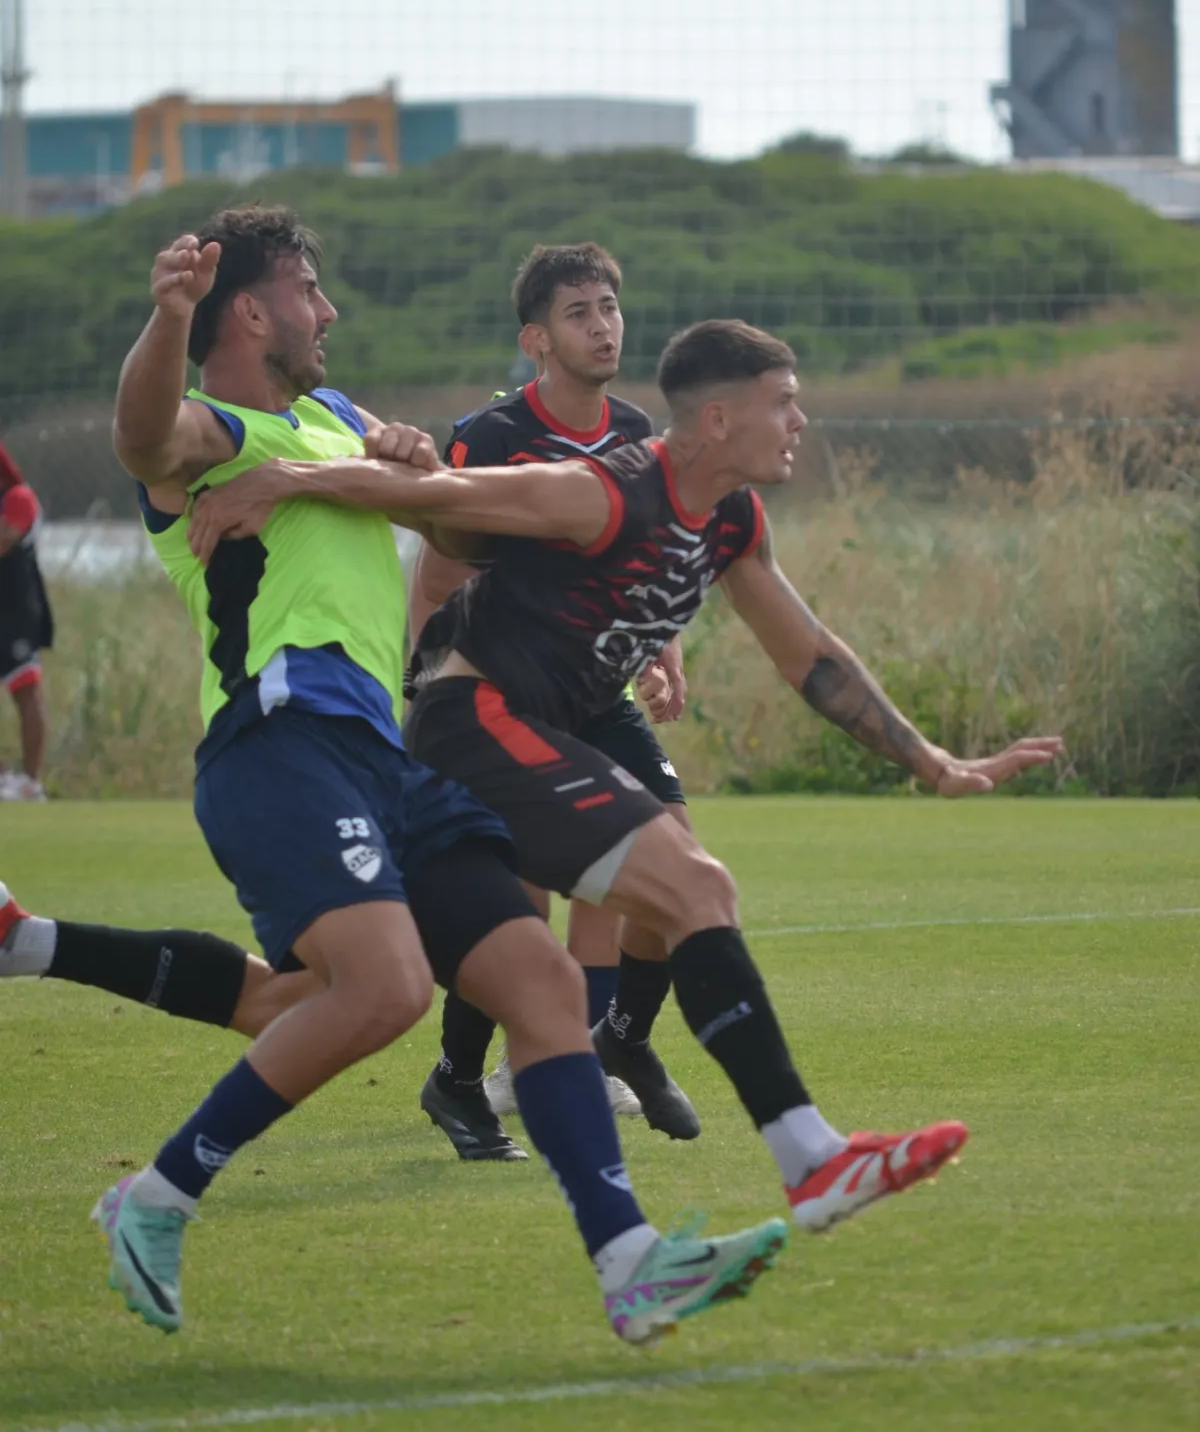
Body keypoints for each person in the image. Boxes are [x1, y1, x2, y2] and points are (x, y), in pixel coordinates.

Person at [188, 316, 1062, 1238]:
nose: (800, 420)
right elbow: (440, 489)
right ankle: (803, 1159)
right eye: (785, 402)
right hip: (473, 722)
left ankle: (720, 1156)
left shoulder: (733, 518)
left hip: (548, 727)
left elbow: (812, 658)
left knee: (652, 909)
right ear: (718, 418)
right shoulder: (599, 492)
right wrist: (289, 473)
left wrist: (934, 762)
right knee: (685, 882)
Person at [85, 211, 786, 1343]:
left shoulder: (325, 416)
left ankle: (632, 1262)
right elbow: (141, 435)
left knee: (546, 985)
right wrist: (168, 319)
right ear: (253, 312)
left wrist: (400, 450)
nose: (331, 310)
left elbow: (416, 478)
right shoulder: (220, 432)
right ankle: (153, 1195)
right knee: (384, 987)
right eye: (310, 290)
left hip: (385, 752)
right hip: (281, 741)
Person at [413, 241, 699, 1160]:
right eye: (580, 311)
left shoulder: (636, 429)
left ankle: (616, 1040)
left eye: (610, 305)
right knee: (521, 895)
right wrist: (429, 690)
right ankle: (461, 1080)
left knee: (674, 865)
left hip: (594, 689)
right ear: (537, 337)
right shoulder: (489, 439)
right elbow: (438, 576)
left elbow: (648, 558)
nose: (603, 323)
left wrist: (662, 646)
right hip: (502, 695)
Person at [0, 440, 53, 802]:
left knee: (25, 692)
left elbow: (4, 540)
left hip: (18, 610)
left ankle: (31, 782)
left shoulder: (18, 497)